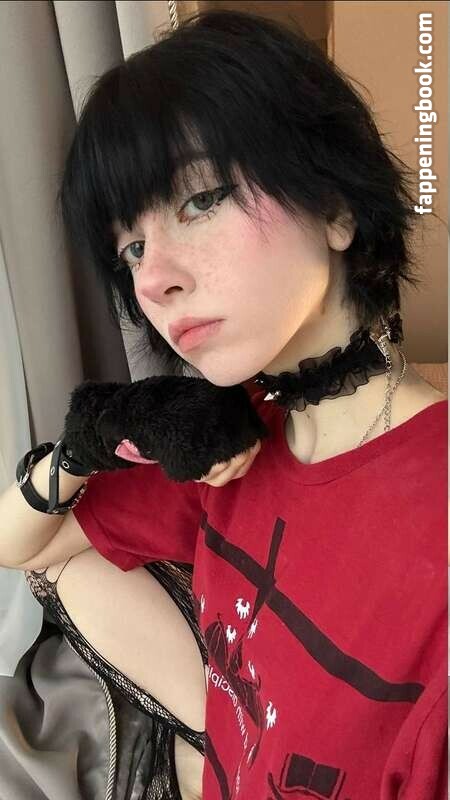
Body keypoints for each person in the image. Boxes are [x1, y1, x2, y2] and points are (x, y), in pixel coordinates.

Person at [0, 8, 447, 800]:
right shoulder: (237, 442)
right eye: (131, 248)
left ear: (336, 207)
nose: (152, 279)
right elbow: (27, 549)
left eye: (201, 199)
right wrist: (84, 445)